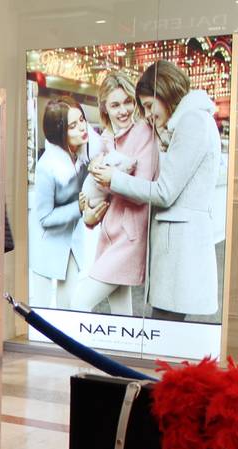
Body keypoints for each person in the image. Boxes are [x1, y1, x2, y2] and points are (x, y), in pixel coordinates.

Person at [90, 60, 221, 320]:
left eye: (149, 105)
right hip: (179, 247)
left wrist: (114, 179)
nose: (147, 114)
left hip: (180, 249)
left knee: (165, 332)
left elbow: (164, 191)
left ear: (164, 92)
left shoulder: (192, 121)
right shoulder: (190, 121)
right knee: (167, 331)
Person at [71, 72, 158, 315]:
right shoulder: (106, 140)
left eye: (128, 101)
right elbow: (98, 194)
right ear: (105, 109)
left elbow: (142, 191)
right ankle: (118, 354)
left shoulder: (145, 133)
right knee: (122, 316)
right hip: (109, 235)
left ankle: (82, 353)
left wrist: (109, 178)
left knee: (79, 302)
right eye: (115, 104)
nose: (123, 110)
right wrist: (89, 217)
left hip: (129, 239)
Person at [29, 96, 107, 309]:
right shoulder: (48, 166)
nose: (82, 127)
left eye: (82, 120)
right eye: (73, 125)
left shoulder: (83, 154)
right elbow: (44, 217)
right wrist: (79, 207)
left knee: (69, 306)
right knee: (42, 311)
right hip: (47, 244)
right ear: (59, 132)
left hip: (71, 242)